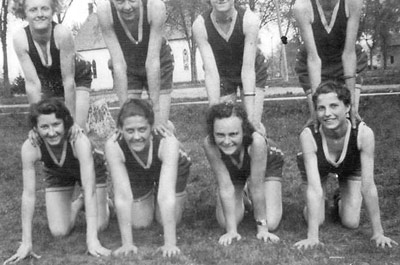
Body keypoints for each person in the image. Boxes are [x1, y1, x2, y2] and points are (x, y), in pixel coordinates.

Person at [4, 99, 111, 264]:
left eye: (56, 124)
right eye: (44, 127)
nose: (52, 132)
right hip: (58, 173)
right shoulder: (30, 147)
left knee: (99, 225)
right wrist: (26, 243)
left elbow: (88, 188)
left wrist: (92, 240)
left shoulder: (79, 141)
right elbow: (28, 194)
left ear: (65, 123)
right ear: (35, 128)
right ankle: (78, 204)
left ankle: (104, 202)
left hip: (91, 171)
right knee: (59, 231)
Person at [294, 81, 398, 250]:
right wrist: (312, 236)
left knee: (351, 222)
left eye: (334, 106)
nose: (327, 113)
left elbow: (368, 186)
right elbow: (314, 188)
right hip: (318, 168)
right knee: (316, 219)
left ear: (348, 107)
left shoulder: (364, 134)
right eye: (321, 108)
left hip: (350, 166)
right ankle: (322, 201)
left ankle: (339, 197)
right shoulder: (308, 135)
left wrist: (378, 232)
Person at [104, 99, 191, 257]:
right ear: (120, 129)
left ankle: (165, 194)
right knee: (139, 223)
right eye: (130, 131)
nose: (137, 136)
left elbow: (166, 197)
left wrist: (169, 244)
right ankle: (145, 195)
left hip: (174, 167)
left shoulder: (168, 142)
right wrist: (127, 244)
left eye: (142, 129)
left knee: (165, 219)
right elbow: (123, 196)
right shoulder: (113, 145)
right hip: (138, 169)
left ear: (151, 127)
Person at [97, 0, 174, 132]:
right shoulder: (104, 12)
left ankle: (173, 148)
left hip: (158, 61)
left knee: (160, 127)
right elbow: (118, 64)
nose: (127, 7)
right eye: (119, 1)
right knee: (131, 125)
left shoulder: (155, 7)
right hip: (127, 65)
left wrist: (157, 110)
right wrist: (124, 114)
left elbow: (152, 62)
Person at [10, 0, 93, 131]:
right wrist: (36, 124)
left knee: (76, 129)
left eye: (45, 9)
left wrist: (71, 121)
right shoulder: (20, 39)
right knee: (50, 127)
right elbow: (33, 85)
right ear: (24, 12)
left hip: (77, 77)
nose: (39, 14)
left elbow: (68, 81)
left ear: (53, 10)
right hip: (49, 81)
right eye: (33, 10)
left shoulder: (62, 34)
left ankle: (86, 145)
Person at [193, 0, 268, 133]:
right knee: (224, 126)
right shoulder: (200, 25)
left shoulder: (249, 20)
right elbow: (211, 73)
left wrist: (250, 117)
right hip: (222, 73)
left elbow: (248, 70)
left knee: (253, 126)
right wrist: (214, 112)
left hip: (252, 70)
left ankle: (263, 154)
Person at [293, 0, 367, 129]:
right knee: (320, 118)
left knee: (349, 117)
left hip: (345, 61)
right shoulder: (302, 6)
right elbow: (313, 59)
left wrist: (352, 103)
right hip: (314, 63)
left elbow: (349, 53)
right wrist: (317, 104)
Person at [204, 102, 283, 246]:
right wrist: (231, 230)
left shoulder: (256, 142)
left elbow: (257, 187)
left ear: (244, 131)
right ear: (212, 132)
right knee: (224, 222)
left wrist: (262, 228)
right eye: (220, 135)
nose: (227, 141)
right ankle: (243, 194)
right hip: (235, 167)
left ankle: (268, 191)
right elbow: (225, 186)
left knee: (271, 222)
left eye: (233, 134)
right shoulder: (209, 144)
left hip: (267, 162)